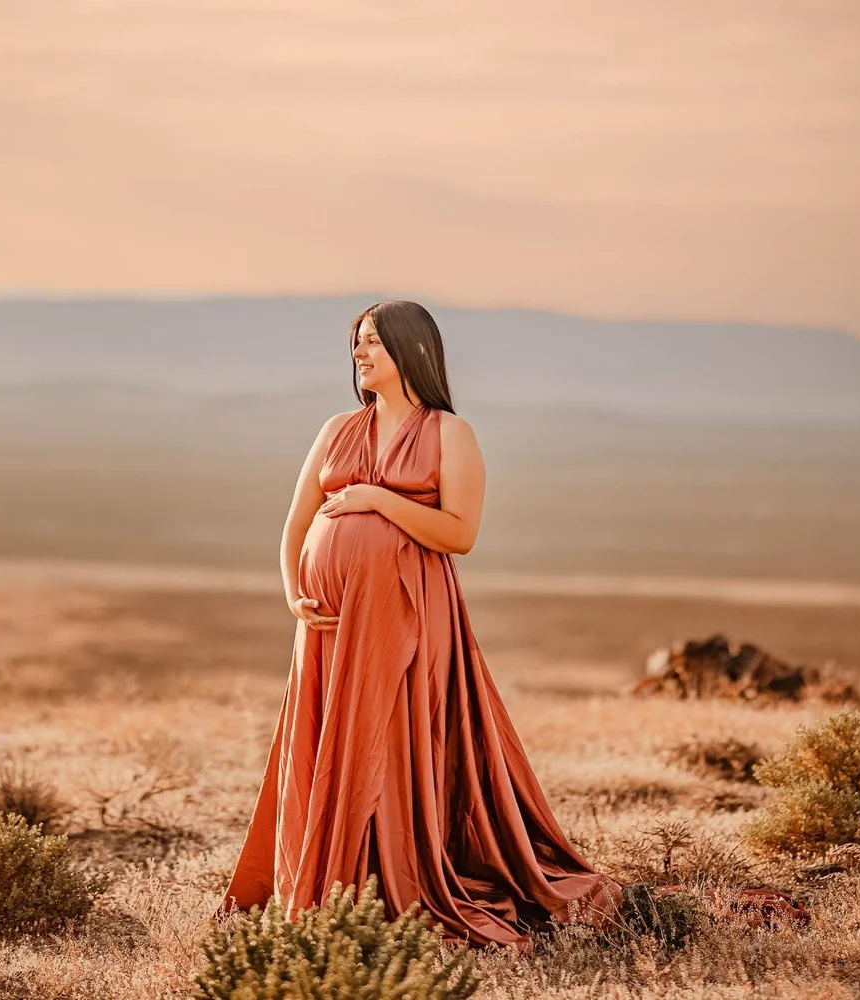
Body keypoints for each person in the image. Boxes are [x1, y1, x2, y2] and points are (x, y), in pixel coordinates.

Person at [215, 299, 626, 949]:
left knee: (394, 741)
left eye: (372, 341)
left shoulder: (449, 435)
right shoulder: (335, 429)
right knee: (326, 744)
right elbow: (297, 524)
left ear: (413, 350)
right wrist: (295, 591)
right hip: (326, 627)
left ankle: (394, 879)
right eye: (356, 341)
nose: (359, 353)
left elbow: (460, 533)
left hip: (405, 614)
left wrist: (379, 499)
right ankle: (325, 884)